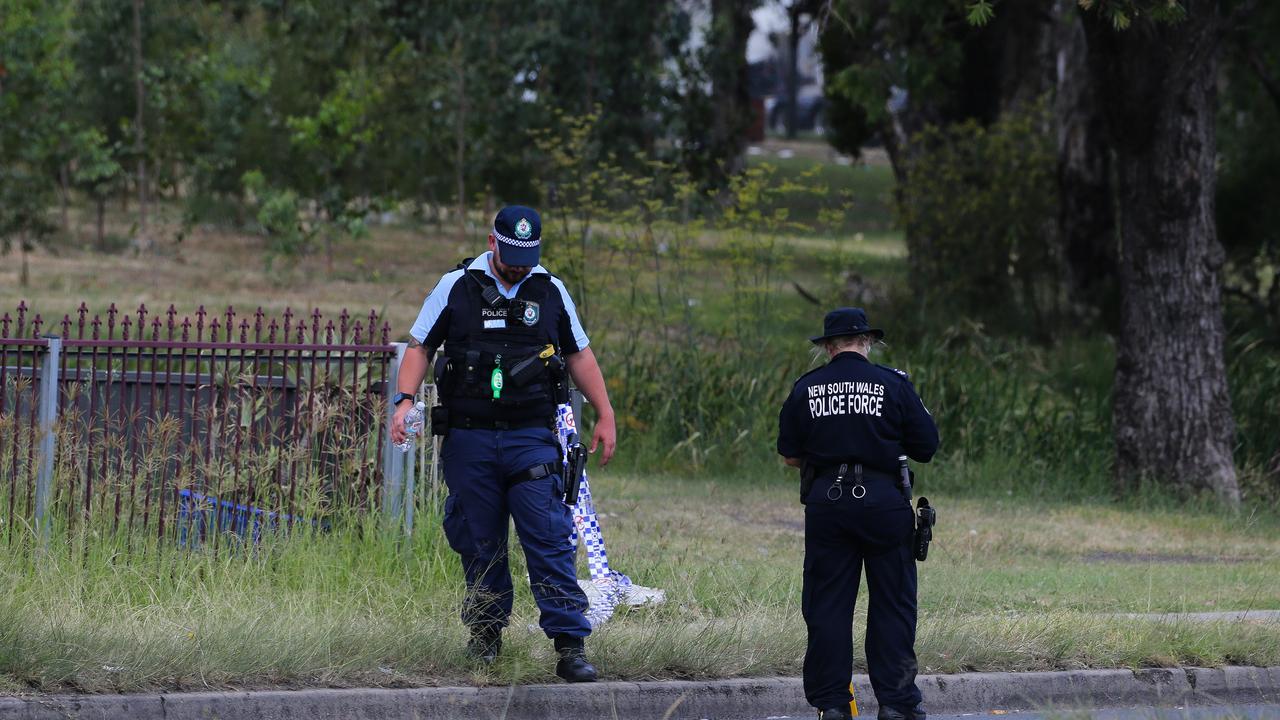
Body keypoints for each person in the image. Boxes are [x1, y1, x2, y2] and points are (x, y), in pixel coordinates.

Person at [390, 205, 617, 682]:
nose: (519, 266)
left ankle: (570, 646)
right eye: (511, 255)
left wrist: (605, 412)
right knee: (479, 540)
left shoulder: (550, 290)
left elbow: (579, 354)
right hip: (469, 440)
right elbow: (420, 347)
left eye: (527, 257)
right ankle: (486, 637)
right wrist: (404, 400)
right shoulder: (456, 286)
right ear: (491, 242)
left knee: (549, 537)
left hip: (531, 438)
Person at [777, 307, 939, 720]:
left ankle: (832, 705)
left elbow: (789, 454)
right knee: (892, 604)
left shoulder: (807, 387)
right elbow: (926, 446)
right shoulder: (893, 384)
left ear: (828, 346)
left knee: (827, 605)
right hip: (885, 501)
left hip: (827, 504)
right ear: (867, 342)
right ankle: (897, 705)